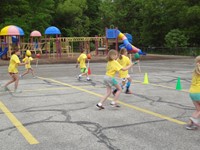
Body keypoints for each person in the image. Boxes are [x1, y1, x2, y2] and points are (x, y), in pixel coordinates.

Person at [186, 56, 200, 130]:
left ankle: (190, 124)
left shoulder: (195, 70)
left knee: (198, 110)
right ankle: (193, 120)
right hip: (198, 92)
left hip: (192, 92)